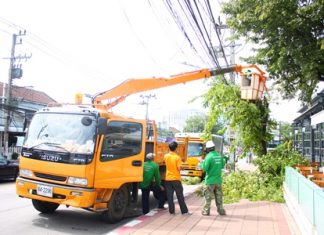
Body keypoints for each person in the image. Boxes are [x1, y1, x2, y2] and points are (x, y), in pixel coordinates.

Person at [164, 141, 192, 215]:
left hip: (168, 178)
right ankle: (184, 211)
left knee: (170, 196)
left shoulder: (166, 156)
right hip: (176, 179)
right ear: (176, 148)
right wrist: (182, 167)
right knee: (180, 195)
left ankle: (171, 211)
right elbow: (179, 168)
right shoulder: (177, 157)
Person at [199, 140, 226, 216]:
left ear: (208, 149)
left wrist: (201, 162)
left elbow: (204, 168)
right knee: (219, 197)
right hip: (218, 180)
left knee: (208, 197)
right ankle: (221, 211)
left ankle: (206, 211)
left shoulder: (209, 157)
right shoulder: (219, 156)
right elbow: (222, 165)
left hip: (210, 181)